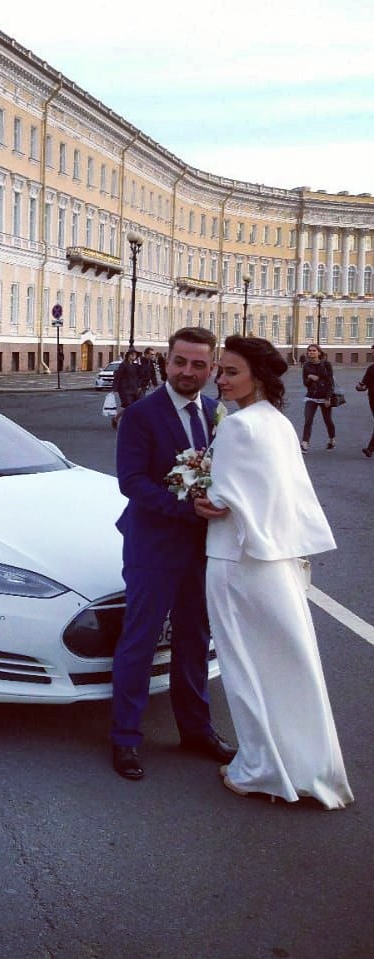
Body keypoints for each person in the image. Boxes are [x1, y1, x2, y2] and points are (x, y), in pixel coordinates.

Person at [199, 336, 353, 809]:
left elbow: (218, 499)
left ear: (259, 376)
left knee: (245, 670)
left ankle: (260, 770)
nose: (220, 379)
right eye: (220, 370)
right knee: (292, 666)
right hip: (278, 561)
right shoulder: (279, 423)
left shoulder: (237, 425)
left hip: (235, 560)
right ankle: (311, 767)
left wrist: (200, 496)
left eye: (231, 372)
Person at [110, 326, 236, 780]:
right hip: (153, 547)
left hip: (203, 549)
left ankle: (196, 730)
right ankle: (125, 737)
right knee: (140, 642)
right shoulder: (140, 415)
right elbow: (132, 482)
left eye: (199, 364)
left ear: (212, 368)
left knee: (194, 641)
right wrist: (185, 507)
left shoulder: (217, 413)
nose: (188, 371)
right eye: (180, 361)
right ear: (167, 362)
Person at [300, 343, 336, 450]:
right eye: (309, 350)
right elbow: (305, 383)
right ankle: (305, 443)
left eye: (314, 350)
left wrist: (328, 397)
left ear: (319, 353)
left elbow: (330, 382)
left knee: (328, 420)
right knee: (308, 420)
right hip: (311, 396)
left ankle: (332, 439)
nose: (311, 352)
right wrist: (310, 377)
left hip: (325, 396)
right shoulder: (306, 365)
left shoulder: (326, 364)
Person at [110, 349, 142, 429]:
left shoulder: (135, 365)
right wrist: (114, 388)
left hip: (134, 388)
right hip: (124, 389)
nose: (133, 356)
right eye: (132, 354)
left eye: (135, 355)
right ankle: (128, 423)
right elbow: (118, 376)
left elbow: (137, 377)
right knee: (129, 406)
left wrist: (138, 386)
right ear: (128, 355)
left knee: (132, 407)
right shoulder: (123, 365)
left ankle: (116, 418)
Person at [356, 347, 374, 457]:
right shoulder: (371, 368)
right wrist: (359, 387)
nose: (373, 354)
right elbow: (363, 384)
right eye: (373, 352)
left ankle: (370, 449)